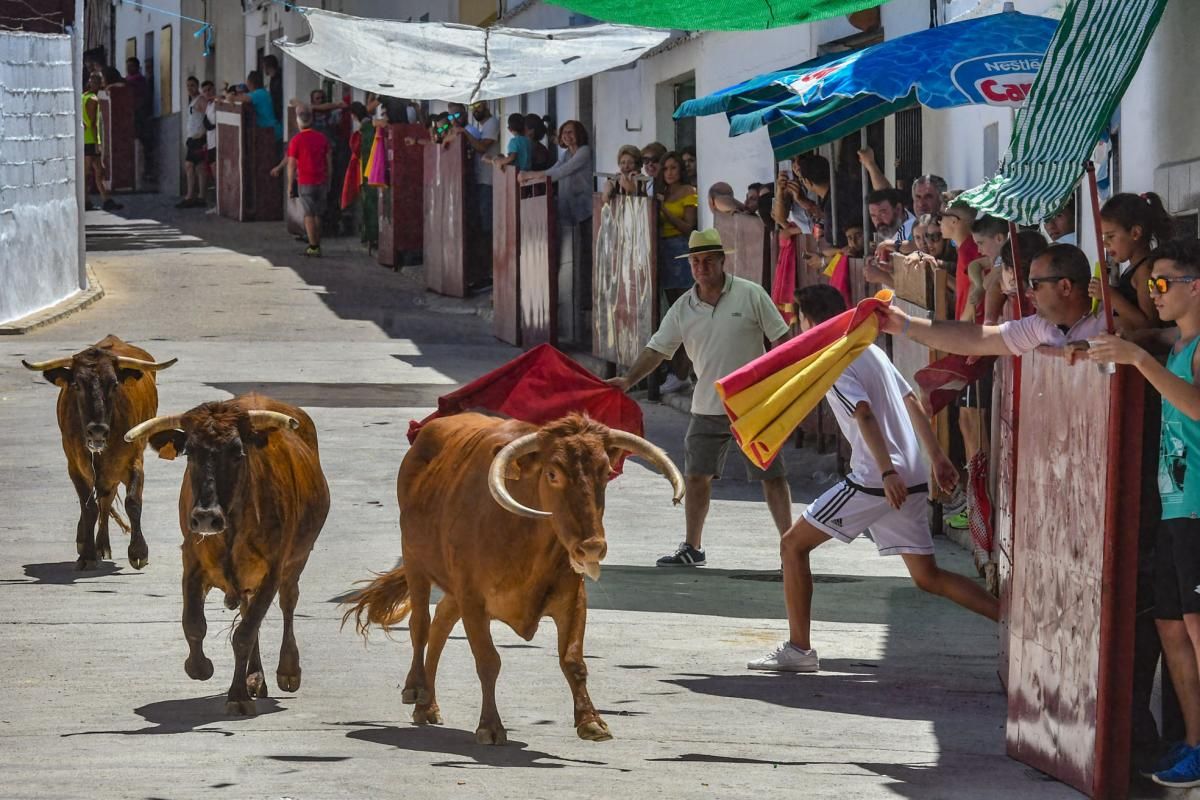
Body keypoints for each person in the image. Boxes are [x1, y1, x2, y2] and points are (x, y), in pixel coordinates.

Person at [748, 285, 999, 673]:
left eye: (799, 321)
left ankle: (799, 650)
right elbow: (912, 401)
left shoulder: (833, 359)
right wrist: (936, 458)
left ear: (811, 322)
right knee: (928, 577)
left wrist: (884, 472)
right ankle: (1013, 622)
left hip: (877, 478)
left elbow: (863, 414)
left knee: (792, 546)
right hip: (909, 473)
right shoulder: (873, 350)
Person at [606, 228, 794, 567]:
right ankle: (693, 547)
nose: (701, 267)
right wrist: (630, 379)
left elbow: (782, 340)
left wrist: (783, 386)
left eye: (708, 260)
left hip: (753, 405)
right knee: (695, 476)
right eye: (695, 261)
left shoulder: (751, 294)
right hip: (707, 404)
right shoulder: (683, 307)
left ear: (722, 261)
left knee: (771, 475)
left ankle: (790, 546)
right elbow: (658, 349)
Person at [1086, 239, 1200, 788]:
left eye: (1162, 283)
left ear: (1194, 286)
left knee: (1193, 631)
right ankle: (1195, 745)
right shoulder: (1178, 344)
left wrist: (1137, 359)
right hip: (1178, 507)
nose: (1152, 293)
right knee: (1171, 627)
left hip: (1198, 508)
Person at [882, 243, 1105, 358]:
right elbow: (978, 339)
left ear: (1065, 286)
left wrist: (1092, 347)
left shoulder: (1108, 320)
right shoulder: (1042, 325)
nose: (1028, 293)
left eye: (1035, 285)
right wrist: (905, 325)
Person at [652, 152, 699, 394]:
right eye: (666, 168)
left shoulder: (689, 192)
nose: (670, 172)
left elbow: (687, 226)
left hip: (680, 251)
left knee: (684, 314)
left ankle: (682, 371)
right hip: (662, 252)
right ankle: (676, 371)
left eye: (674, 167)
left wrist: (664, 210)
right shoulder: (661, 191)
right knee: (671, 313)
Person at [1094, 192, 1174, 332]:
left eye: (1111, 236)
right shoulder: (1133, 268)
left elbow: (1149, 324)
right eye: (1103, 237)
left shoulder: (1145, 271)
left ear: (1135, 233)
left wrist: (1109, 295)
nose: (1105, 244)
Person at [273, 109, 331, 257]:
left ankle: (313, 246)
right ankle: (317, 243)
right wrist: (328, 178)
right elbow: (329, 162)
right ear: (311, 120)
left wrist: (290, 185)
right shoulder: (322, 138)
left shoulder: (296, 140)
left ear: (298, 123)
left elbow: (292, 165)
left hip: (306, 181)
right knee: (318, 213)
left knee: (308, 214)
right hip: (322, 180)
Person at [81, 72, 122, 211]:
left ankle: (103, 199)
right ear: (99, 83)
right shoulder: (93, 99)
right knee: (94, 172)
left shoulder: (83, 97)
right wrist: (98, 144)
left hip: (84, 139)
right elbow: (93, 123)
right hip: (90, 140)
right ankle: (89, 200)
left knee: (96, 171)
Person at [460, 101, 500, 240]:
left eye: (478, 106)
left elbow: (482, 147)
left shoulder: (492, 123)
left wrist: (464, 132)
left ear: (487, 105)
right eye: (472, 107)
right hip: (481, 177)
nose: (475, 110)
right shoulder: (483, 127)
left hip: (488, 179)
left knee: (486, 218)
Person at [178, 76, 208, 209]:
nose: (190, 88)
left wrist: (204, 134)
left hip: (199, 138)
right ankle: (199, 196)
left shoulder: (201, 100)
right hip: (192, 138)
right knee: (198, 167)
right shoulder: (192, 101)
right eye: (188, 86)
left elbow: (208, 116)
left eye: (192, 85)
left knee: (190, 165)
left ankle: (191, 196)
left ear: (197, 86)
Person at [228, 71, 281, 142]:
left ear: (251, 83)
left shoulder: (258, 93)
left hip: (269, 131)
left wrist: (230, 97)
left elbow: (242, 98)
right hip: (270, 130)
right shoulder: (262, 92)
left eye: (247, 82)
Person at [124, 57, 153, 177]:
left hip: (140, 117)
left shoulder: (139, 81)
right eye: (127, 66)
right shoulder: (128, 80)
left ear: (136, 67)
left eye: (131, 66)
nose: (128, 68)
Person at [263, 54, 283, 123]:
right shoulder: (273, 78)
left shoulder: (279, 78)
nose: (263, 69)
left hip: (279, 114)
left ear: (268, 67)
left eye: (264, 67)